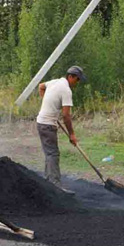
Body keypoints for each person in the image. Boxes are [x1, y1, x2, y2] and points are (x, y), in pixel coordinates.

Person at [37, 66, 86, 194]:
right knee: (53, 154)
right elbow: (66, 115)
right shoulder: (66, 90)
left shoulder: (55, 82)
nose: (78, 82)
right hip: (47, 124)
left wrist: (48, 104)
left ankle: (48, 182)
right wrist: (72, 135)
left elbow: (41, 86)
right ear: (71, 77)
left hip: (41, 122)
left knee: (49, 153)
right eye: (77, 79)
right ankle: (55, 186)